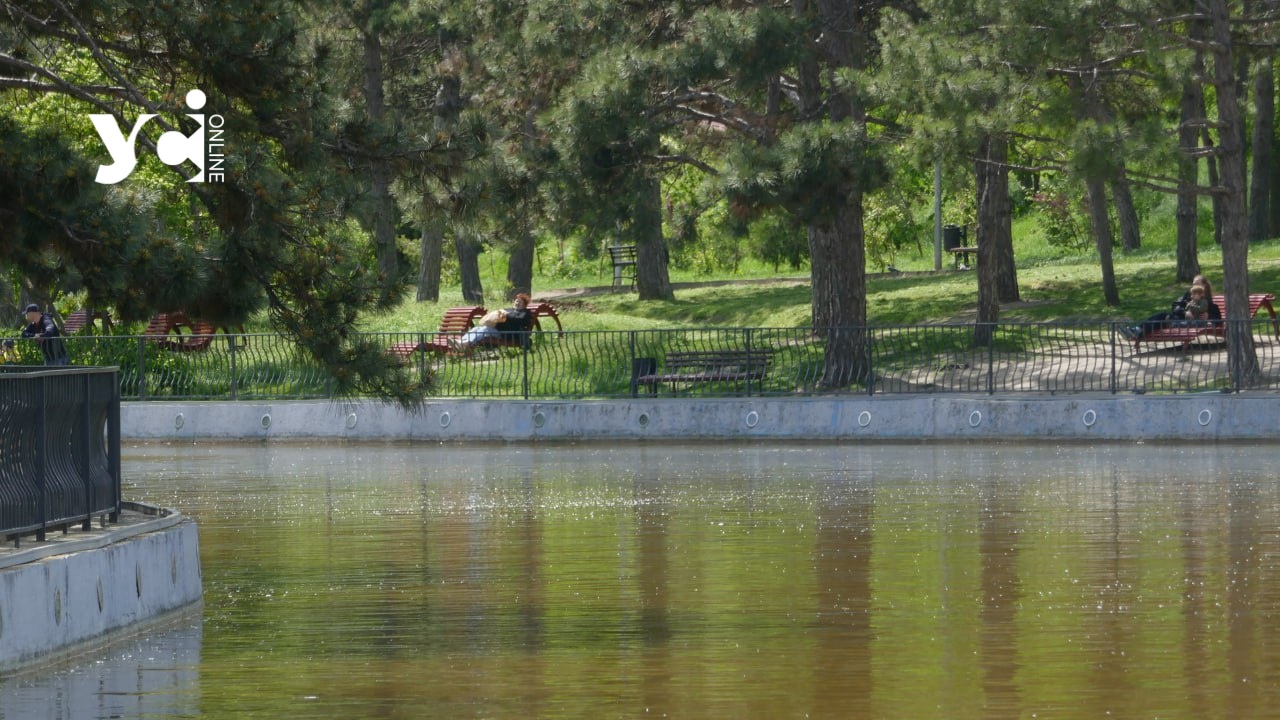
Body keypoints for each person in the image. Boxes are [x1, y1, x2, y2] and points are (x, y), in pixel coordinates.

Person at [1123, 274, 1221, 340]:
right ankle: (1136, 332)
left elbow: (1218, 320)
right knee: (1162, 317)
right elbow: (1175, 306)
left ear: (1204, 286)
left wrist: (1208, 317)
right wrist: (1184, 312)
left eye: (1197, 284)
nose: (1194, 287)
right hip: (1179, 319)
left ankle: (1136, 331)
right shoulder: (1188, 295)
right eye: (1193, 284)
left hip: (1186, 324)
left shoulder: (1209, 303)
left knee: (1163, 318)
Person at [454, 293, 535, 350]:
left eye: (520, 302)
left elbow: (520, 320)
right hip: (498, 330)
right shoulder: (508, 309)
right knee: (477, 329)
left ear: (524, 304)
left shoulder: (525, 313)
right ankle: (462, 341)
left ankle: (467, 344)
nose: (517, 303)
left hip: (507, 335)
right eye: (516, 301)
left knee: (485, 330)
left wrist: (507, 315)